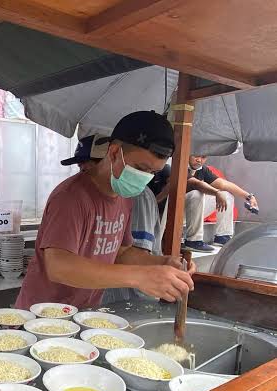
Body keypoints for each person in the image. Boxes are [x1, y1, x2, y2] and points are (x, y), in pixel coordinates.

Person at [15, 111, 196, 310]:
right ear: (114, 152)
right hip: (42, 315)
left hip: (82, 313)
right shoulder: (71, 197)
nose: (145, 178)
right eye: (141, 168)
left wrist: (162, 263)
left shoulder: (124, 197)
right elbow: (58, 266)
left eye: (152, 173)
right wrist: (140, 277)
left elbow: (120, 253)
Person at [183, 155, 259, 252]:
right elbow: (196, 184)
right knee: (197, 193)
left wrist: (249, 197)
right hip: (174, 214)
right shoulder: (180, 166)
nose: (199, 160)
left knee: (226, 195)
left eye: (203, 157)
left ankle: (223, 237)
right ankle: (193, 241)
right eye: (196, 156)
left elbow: (223, 184)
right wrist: (216, 192)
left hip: (192, 213)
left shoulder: (202, 170)